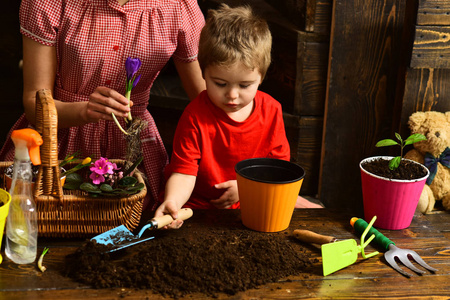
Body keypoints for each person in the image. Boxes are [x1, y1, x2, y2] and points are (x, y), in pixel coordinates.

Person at [0, 0, 206, 211]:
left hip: (134, 150)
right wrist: (84, 111)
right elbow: (35, 103)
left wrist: (235, 176)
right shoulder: (49, 3)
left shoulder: (179, 5)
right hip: (56, 149)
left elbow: (211, 108)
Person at [155, 4, 321, 228]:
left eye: (245, 85)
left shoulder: (271, 110)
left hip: (252, 205)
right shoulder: (195, 115)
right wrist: (172, 202)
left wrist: (245, 189)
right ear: (203, 72)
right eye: (220, 83)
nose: (232, 95)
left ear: (261, 76)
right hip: (198, 209)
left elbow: (276, 171)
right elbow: (184, 172)